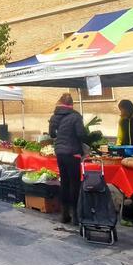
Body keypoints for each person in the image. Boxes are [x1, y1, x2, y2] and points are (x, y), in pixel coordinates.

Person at [48, 93, 86, 225]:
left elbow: (52, 134)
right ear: (71, 104)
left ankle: (64, 214)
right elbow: (81, 134)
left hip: (60, 153)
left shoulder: (54, 116)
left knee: (64, 182)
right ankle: (76, 215)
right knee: (75, 183)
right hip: (73, 153)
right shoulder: (75, 116)